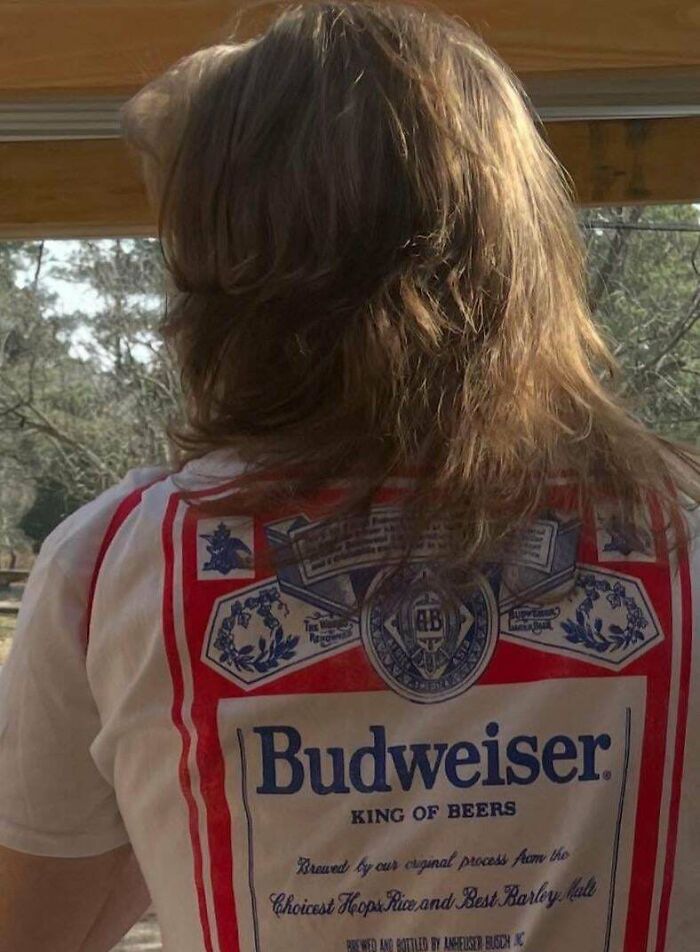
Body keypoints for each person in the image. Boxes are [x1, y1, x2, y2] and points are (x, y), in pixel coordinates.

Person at [0, 3, 698, 950]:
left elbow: (39, 928)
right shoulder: (681, 532)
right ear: (522, 236)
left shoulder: (112, 567)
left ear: (219, 261)